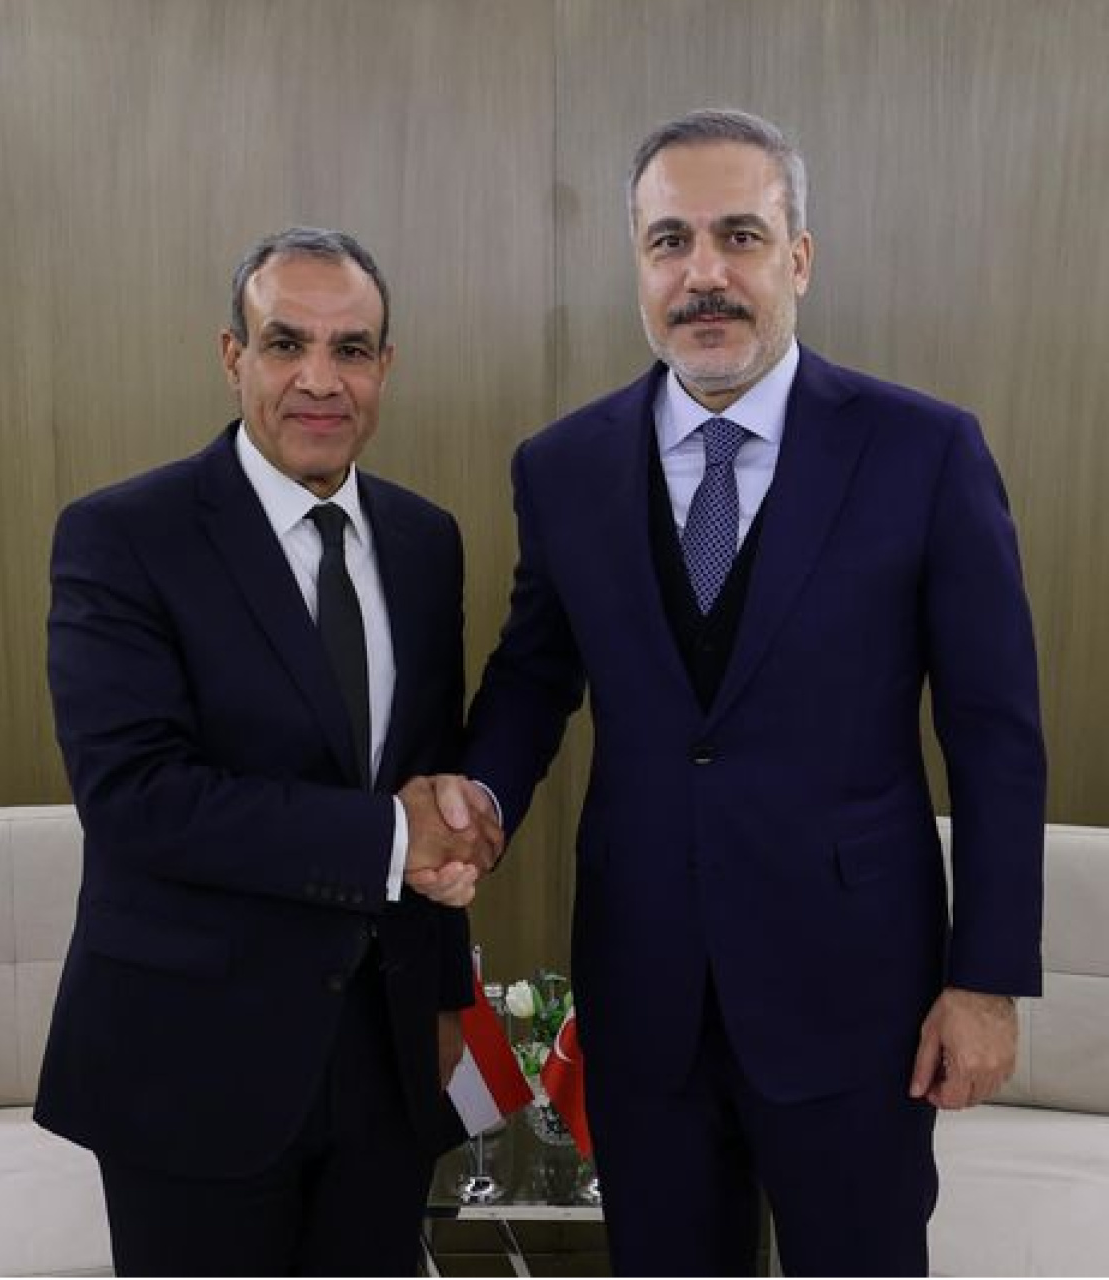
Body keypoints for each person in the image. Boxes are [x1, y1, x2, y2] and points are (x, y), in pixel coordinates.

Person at [425, 110, 1046, 1275]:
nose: (702, 272)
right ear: (637, 263)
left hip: (856, 991)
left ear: (795, 259)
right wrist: (483, 801)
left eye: (738, 235)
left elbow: (995, 735)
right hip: (643, 983)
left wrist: (986, 979)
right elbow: (533, 674)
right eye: (669, 240)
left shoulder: (923, 451)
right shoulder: (560, 466)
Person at [34, 227, 499, 1276]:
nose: (319, 380)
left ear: (385, 366)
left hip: (384, 1061)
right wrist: (389, 838)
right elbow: (137, 798)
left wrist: (442, 1000)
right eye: (286, 343)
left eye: (350, 349)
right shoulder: (123, 535)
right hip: (190, 1063)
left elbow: (424, 778)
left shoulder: (426, 542)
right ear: (232, 356)